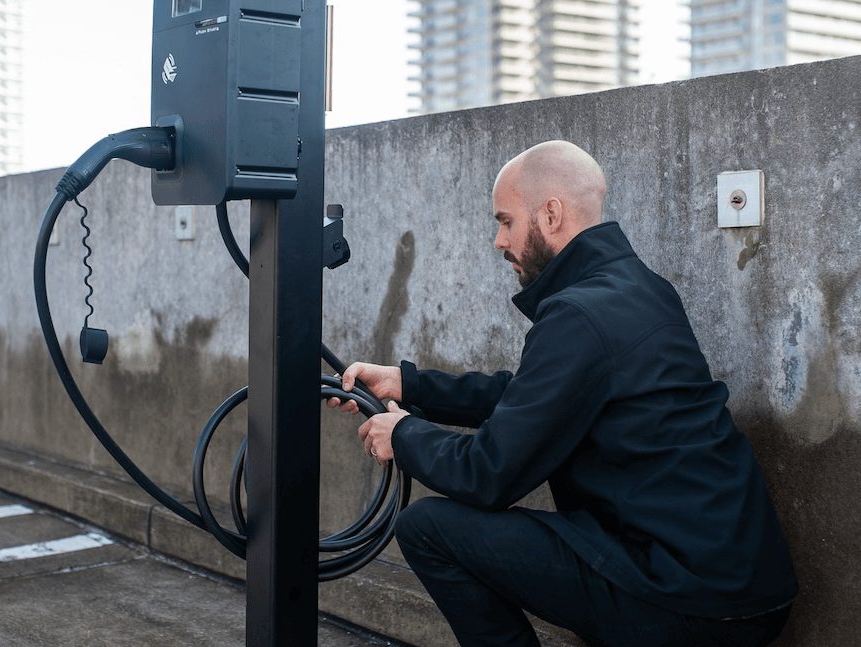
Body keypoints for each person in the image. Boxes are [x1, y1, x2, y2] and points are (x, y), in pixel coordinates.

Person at [327, 141, 797, 646]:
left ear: (550, 214)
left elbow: (488, 473)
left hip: (688, 598)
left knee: (427, 528)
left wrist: (403, 435)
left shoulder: (580, 315)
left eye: (506, 221)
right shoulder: (637, 287)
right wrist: (411, 385)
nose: (498, 240)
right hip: (740, 584)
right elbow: (537, 396)